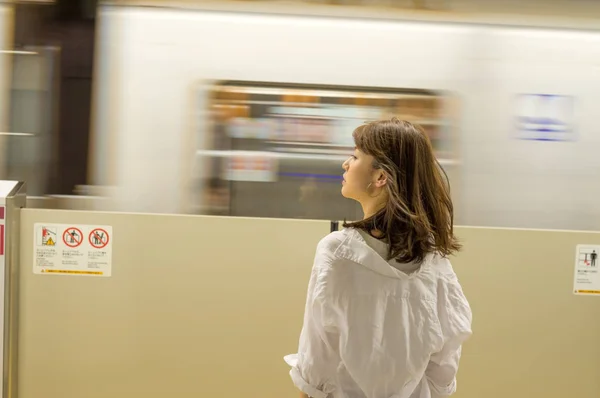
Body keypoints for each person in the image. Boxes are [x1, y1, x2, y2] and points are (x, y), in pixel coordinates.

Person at [285, 118, 473, 398]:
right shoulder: (432, 257)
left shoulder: (337, 251)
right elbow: (447, 353)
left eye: (355, 156)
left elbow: (318, 352)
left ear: (380, 177)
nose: (345, 164)